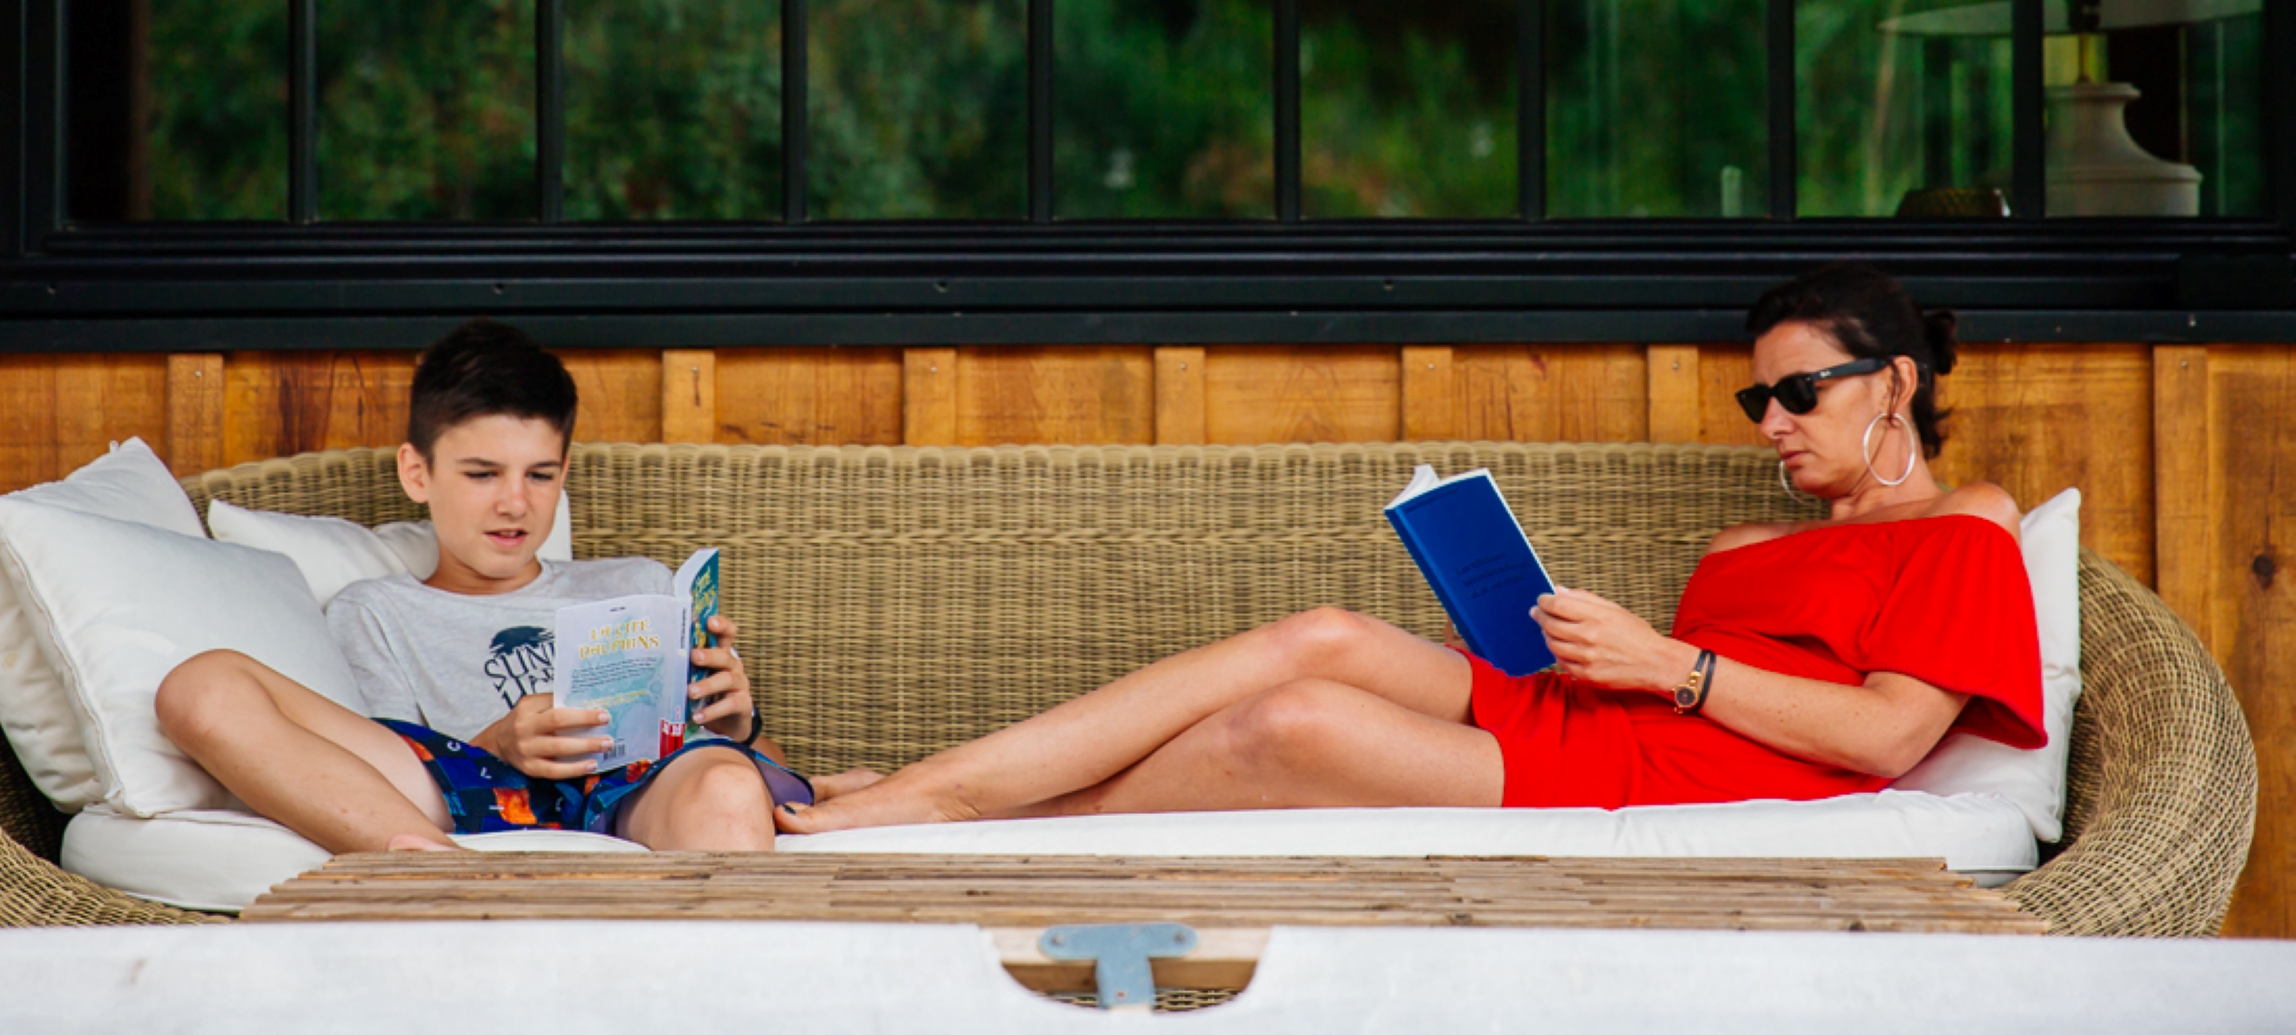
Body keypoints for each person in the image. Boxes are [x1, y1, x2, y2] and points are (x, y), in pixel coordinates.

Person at [776, 263, 2043, 832]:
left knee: (1293, 722)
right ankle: (926, 778)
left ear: (1894, 383)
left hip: (1678, 753)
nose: (1770, 422)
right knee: (1320, 633)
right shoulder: (1744, 537)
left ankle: (949, 816)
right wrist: (1579, 641)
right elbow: (1673, 664)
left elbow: (1885, 736)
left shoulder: (1964, 526)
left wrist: (1668, 665)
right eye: (1752, 401)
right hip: (1602, 703)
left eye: (1798, 393)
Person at [156, 318, 825, 852]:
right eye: (482, 474)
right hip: (465, 787)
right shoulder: (376, 610)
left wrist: (741, 725)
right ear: (417, 473)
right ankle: (442, 873)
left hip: (634, 793)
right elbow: (364, 774)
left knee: (730, 787)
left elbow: (759, 782)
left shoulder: (638, 584)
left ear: (563, 471)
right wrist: (497, 743)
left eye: (538, 475)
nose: (514, 503)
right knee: (200, 685)